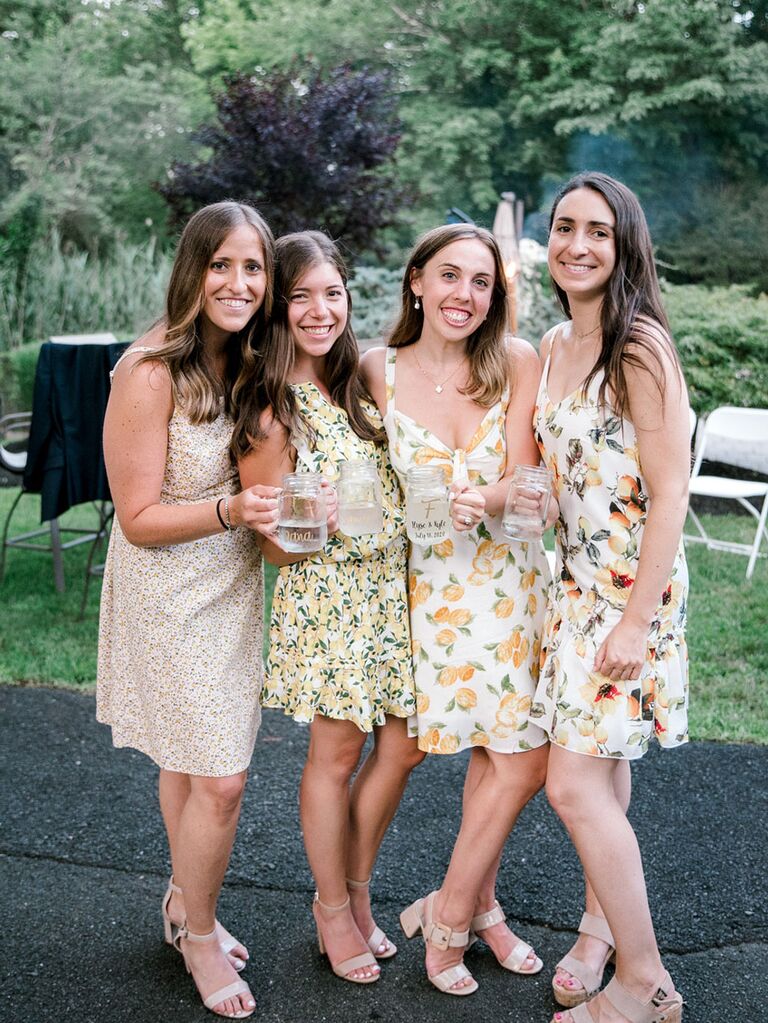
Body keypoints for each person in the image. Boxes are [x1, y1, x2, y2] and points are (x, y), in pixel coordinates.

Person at [97, 201, 281, 1020]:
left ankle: (182, 899)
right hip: (167, 586)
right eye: (222, 265)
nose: (238, 283)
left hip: (232, 587)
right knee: (223, 777)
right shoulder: (149, 370)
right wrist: (235, 511)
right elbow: (135, 519)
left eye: (253, 268)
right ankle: (200, 931)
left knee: (189, 759)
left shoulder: (252, 367)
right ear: (192, 271)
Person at [361, 223, 553, 997]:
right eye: (449, 276)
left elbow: (528, 476)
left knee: (514, 758)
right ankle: (481, 907)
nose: (464, 295)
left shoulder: (515, 359)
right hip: (427, 592)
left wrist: (493, 494)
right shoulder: (377, 367)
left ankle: (452, 911)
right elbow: (358, 481)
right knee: (455, 753)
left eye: (482, 283)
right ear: (416, 281)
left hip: (509, 586)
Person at [233, 231, 421, 986]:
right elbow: (274, 548)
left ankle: (359, 889)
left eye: (332, 293)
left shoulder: (360, 387)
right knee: (336, 757)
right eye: (301, 294)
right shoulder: (270, 405)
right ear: (279, 305)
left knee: (404, 746)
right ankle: (332, 906)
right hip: (329, 601)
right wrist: (322, 518)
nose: (320, 309)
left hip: (389, 595)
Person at [532, 172, 689, 1023]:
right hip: (573, 583)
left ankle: (645, 981)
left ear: (624, 244)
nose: (578, 244)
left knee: (573, 786)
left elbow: (671, 493)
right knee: (606, 769)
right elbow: (568, 472)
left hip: (632, 594)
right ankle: (598, 927)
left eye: (598, 230)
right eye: (564, 227)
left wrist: (635, 620)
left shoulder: (640, 349)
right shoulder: (556, 344)